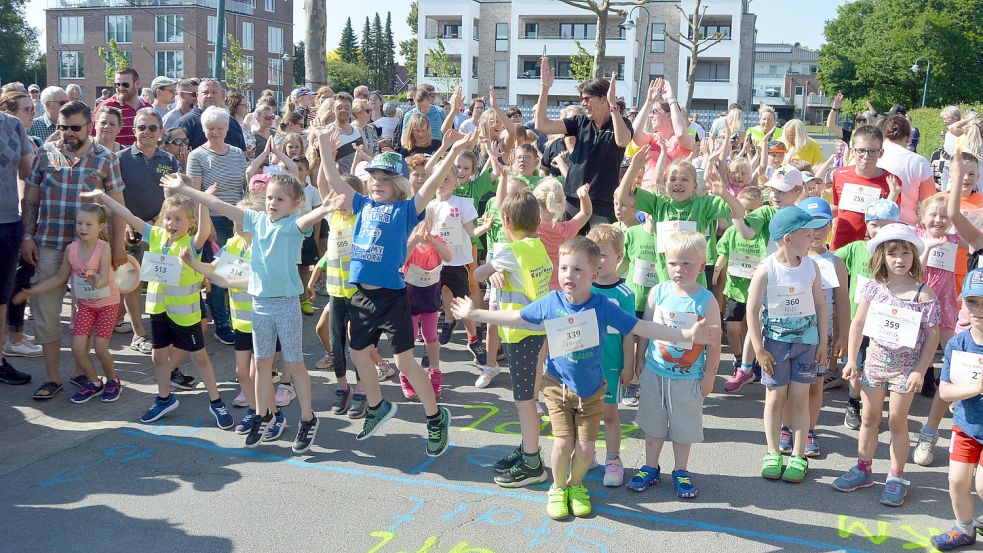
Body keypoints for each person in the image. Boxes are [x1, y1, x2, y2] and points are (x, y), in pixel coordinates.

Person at [451, 236, 720, 519]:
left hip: (592, 391)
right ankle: (557, 487)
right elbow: (517, 317)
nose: (569, 275)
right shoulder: (551, 302)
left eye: (578, 270)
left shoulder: (602, 306)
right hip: (557, 387)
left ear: (593, 274)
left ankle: (575, 485)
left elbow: (643, 326)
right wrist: (475, 313)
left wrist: (687, 335)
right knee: (563, 443)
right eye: (564, 268)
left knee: (586, 448)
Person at [162, 173, 342, 452]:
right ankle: (262, 414)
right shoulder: (255, 221)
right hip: (260, 304)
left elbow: (309, 219)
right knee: (261, 364)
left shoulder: (293, 226)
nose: (272, 202)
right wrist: (183, 188)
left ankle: (308, 418)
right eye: (269, 197)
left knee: (294, 363)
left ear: (294, 204)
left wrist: (325, 208)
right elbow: (217, 203)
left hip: (284, 304)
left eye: (280, 199)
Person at [317, 130, 469, 457]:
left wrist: (454, 149)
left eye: (385, 177)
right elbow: (334, 181)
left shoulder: (405, 210)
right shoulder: (361, 204)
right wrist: (322, 146)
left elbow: (430, 183)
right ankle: (377, 407)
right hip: (361, 296)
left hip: (392, 297)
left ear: (399, 183)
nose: (376, 181)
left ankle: (435, 418)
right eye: (373, 176)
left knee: (405, 363)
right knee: (359, 354)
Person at [83, 181, 235, 429]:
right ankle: (164, 399)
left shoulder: (190, 244)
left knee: (201, 359)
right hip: (159, 309)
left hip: (186, 314)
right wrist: (104, 197)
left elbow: (205, 233)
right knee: (158, 357)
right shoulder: (155, 236)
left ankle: (216, 402)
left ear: (190, 223)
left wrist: (204, 203)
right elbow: (128, 215)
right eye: (168, 218)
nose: (171, 224)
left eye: (178, 220)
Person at [21, 101, 127, 400]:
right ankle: (52, 378)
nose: (68, 132)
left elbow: (118, 207)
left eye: (75, 127)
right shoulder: (45, 154)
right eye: (62, 127)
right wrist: (27, 236)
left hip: (92, 250)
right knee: (46, 311)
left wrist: (118, 248)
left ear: (89, 125)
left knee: (90, 308)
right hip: (51, 243)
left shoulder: (105, 158)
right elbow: (30, 199)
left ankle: (83, 372)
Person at [832, 223, 939, 507]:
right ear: (882, 257)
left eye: (906, 253)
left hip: (906, 369)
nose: (900, 259)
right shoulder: (873, 289)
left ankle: (895, 476)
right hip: (875, 364)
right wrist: (852, 359)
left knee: (896, 421)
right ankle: (863, 468)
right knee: (869, 419)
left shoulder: (923, 294)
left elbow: (932, 337)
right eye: (893, 254)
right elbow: (857, 324)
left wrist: (920, 370)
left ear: (914, 257)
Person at [627, 230, 718, 498]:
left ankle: (681, 470)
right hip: (655, 372)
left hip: (688, 377)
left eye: (687, 264)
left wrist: (709, 376)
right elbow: (647, 326)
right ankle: (650, 466)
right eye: (673, 263)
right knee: (654, 424)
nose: (678, 269)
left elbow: (713, 342)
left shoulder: (706, 300)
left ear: (701, 266)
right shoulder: (659, 291)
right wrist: (640, 358)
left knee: (682, 427)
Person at [746, 206, 828, 483]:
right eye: (807, 234)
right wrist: (758, 347)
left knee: (800, 399)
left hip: (807, 344)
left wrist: (823, 343)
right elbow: (752, 309)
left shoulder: (811, 266)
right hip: (776, 346)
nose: (813, 238)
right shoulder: (767, 269)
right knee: (775, 398)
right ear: (788, 238)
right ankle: (772, 452)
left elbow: (819, 305)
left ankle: (798, 454)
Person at [13, 204, 122, 403]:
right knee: (77, 348)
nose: (83, 228)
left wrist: (95, 280)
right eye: (79, 223)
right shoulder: (71, 249)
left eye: (89, 224)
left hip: (107, 304)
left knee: (100, 348)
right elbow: (59, 278)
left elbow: (105, 279)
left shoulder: (103, 248)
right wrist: (31, 291)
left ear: (100, 227)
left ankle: (113, 380)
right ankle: (94, 382)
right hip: (86, 306)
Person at [534, 60, 632, 224]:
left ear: (603, 99)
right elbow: (542, 125)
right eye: (582, 99)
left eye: (587, 99)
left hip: (604, 201)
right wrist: (545, 88)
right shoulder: (580, 122)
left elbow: (622, 141)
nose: (583, 103)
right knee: (570, 248)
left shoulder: (621, 123)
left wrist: (613, 105)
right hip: (573, 199)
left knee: (602, 248)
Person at [186, 106, 248, 345]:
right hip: (212, 219)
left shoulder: (236, 153)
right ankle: (222, 324)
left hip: (237, 219)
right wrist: (206, 222)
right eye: (210, 128)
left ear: (226, 128)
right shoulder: (197, 156)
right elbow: (195, 193)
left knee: (238, 270)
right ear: (204, 129)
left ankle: (238, 318)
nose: (215, 132)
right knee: (218, 273)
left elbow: (244, 186)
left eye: (219, 128)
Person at [932, 268, 983, 551]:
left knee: (982, 486)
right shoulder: (957, 343)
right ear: (963, 303)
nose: (979, 309)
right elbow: (945, 391)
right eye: (973, 301)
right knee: (956, 480)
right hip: (966, 426)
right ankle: (964, 528)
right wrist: (976, 388)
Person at [586, 224, 635, 488]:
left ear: (619, 257)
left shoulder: (624, 294)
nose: (599, 261)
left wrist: (629, 365)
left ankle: (613, 459)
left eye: (604, 254)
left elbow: (629, 333)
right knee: (587, 412)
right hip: (585, 365)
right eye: (594, 254)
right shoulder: (584, 289)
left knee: (609, 414)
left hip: (611, 366)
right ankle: (587, 453)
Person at [0, 99, 35, 386]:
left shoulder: (12, 125)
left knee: (1, 296)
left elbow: (28, 173)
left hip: (8, 221)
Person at [399, 209, 451, 399]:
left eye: (427, 222)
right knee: (409, 338)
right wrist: (414, 241)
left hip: (430, 297)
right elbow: (401, 260)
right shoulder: (407, 242)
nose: (423, 227)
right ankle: (406, 375)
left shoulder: (436, 241)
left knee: (431, 336)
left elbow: (449, 257)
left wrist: (434, 241)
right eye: (419, 222)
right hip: (410, 298)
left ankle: (435, 372)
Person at [830, 126, 900, 250]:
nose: (866, 157)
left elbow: (892, 220)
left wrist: (893, 194)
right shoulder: (839, 175)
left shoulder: (892, 181)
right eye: (861, 151)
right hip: (840, 248)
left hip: (873, 249)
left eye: (872, 151)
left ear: (881, 153)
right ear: (852, 151)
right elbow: (836, 207)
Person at [632, 79, 696, 188]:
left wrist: (671, 99)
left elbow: (680, 133)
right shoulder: (652, 138)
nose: (650, 116)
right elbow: (635, 133)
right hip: (649, 193)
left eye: (654, 111)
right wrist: (649, 102)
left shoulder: (684, 139)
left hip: (673, 194)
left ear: (669, 116)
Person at [877, 114, 936, 225]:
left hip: (874, 222)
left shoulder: (871, 154)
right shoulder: (919, 161)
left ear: (884, 134)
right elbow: (928, 201)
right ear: (909, 137)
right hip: (906, 224)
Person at [175, 79, 246, 150]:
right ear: (197, 95)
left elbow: (242, 152)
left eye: (214, 92)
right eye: (205, 92)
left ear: (222, 95)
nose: (210, 96)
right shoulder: (185, 123)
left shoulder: (231, 122)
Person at [93, 68, 151, 147]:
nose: (120, 88)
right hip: (113, 157)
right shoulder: (106, 107)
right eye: (117, 85)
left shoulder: (147, 108)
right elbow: (92, 135)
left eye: (125, 84)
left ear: (137, 84)